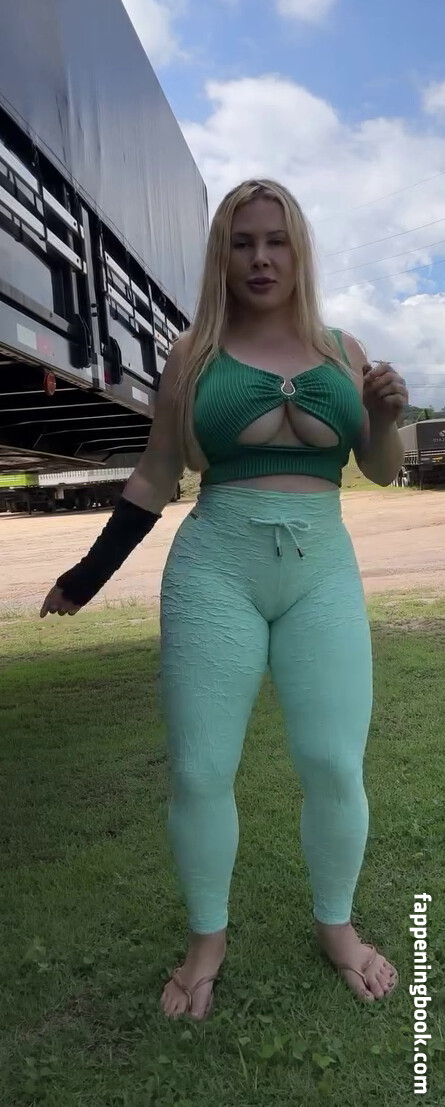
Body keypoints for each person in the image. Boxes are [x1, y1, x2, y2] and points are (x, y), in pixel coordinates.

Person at [40, 179, 408, 1021]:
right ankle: (206, 939)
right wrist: (87, 575)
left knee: (332, 761)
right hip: (215, 569)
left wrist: (384, 417)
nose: (260, 258)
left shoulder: (343, 350)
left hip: (320, 571)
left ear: (298, 249)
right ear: (222, 256)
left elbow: (381, 467)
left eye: (275, 241)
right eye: (242, 243)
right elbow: (154, 474)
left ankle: (336, 926)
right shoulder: (193, 354)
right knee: (201, 768)